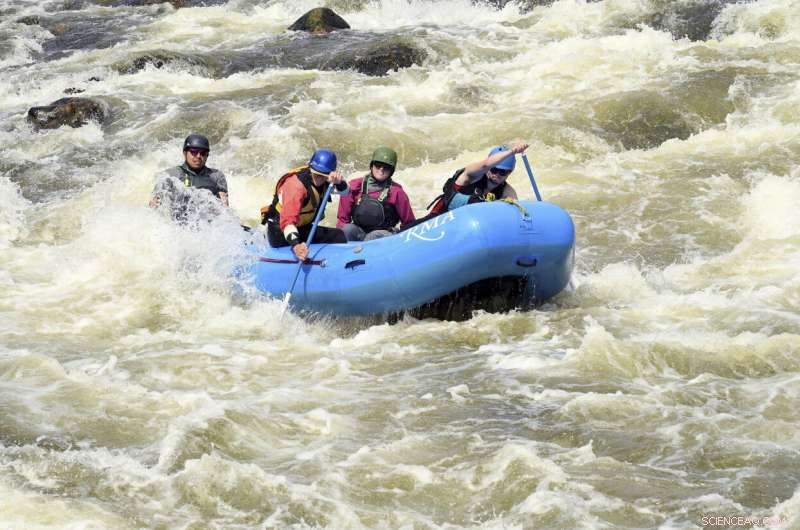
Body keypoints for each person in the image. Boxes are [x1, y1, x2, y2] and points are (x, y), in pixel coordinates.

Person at [403, 141, 529, 230]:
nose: (497, 174)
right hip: (437, 222)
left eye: (503, 172)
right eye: (494, 170)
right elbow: (485, 165)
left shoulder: (507, 190)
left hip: (469, 230)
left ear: (509, 172)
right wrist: (512, 151)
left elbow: (516, 212)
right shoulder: (472, 175)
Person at [261, 148, 349, 261]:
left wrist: (339, 182)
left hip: (301, 227)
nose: (319, 178)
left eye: (323, 176)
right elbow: (287, 222)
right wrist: (297, 246)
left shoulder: (327, 179)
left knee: (339, 235)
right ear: (311, 168)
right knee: (337, 237)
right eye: (316, 174)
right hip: (281, 232)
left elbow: (345, 192)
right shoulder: (296, 187)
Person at [336, 146, 415, 241]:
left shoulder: (397, 192)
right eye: (378, 165)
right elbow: (342, 220)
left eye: (386, 167)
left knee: (373, 236)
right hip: (360, 232)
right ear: (371, 166)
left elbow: (409, 223)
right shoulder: (354, 186)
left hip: (384, 234)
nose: (381, 170)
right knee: (347, 230)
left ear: (391, 171)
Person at [149, 134, 230, 223]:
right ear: (184, 153)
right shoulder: (170, 175)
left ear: (207, 156)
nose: (198, 156)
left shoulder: (216, 176)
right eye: (194, 152)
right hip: (182, 229)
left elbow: (225, 209)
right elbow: (153, 207)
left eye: (203, 153)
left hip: (209, 228)